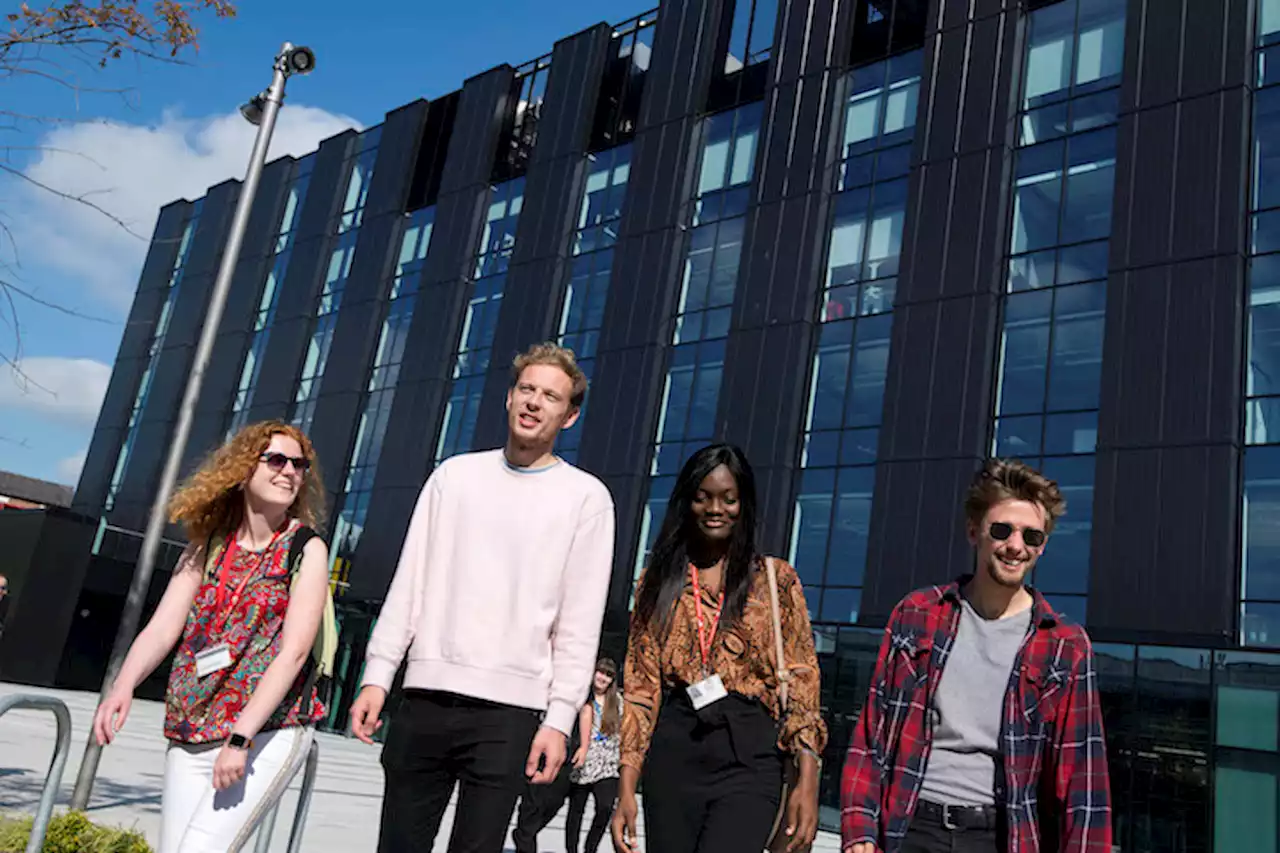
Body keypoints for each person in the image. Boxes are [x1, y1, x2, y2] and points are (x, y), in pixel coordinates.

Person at [349, 342, 616, 853]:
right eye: (527, 389)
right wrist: (378, 676)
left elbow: (579, 627)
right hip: (426, 697)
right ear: (509, 397)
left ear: (571, 415)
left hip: (510, 714)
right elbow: (410, 585)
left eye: (551, 397)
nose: (535, 402)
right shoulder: (455, 476)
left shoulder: (587, 499)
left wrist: (559, 721)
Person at [841, 458, 1112, 853]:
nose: (1015, 546)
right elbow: (872, 737)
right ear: (974, 531)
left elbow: (1084, 782)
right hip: (911, 826)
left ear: (1043, 547)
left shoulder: (1066, 646)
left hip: (999, 835)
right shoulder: (917, 615)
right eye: (1002, 530)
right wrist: (859, 830)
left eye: (1031, 537)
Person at [92, 421, 330, 853]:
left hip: (266, 731)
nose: (290, 471)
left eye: (299, 464)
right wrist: (121, 687)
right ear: (242, 469)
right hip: (194, 725)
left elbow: (294, 653)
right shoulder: (208, 547)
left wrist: (241, 739)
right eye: (276, 459)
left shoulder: (305, 548)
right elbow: (164, 627)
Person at [612, 443, 825, 853]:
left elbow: (803, 680)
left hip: (749, 751)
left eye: (729, 498)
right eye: (703, 497)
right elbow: (640, 690)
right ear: (687, 501)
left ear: (744, 504)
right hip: (675, 748)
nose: (716, 508)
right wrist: (625, 788)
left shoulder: (775, 580)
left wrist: (807, 780)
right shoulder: (655, 582)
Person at [566, 658, 621, 853]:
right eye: (600, 672)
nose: (603, 678)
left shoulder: (618, 703)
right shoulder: (581, 697)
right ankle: (571, 849)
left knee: (605, 807)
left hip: (607, 764)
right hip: (583, 762)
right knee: (576, 811)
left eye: (608, 675)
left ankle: (590, 849)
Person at [512, 723, 579, 853]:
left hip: (567, 751)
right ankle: (525, 839)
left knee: (556, 802)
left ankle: (523, 833)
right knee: (532, 805)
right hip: (537, 747)